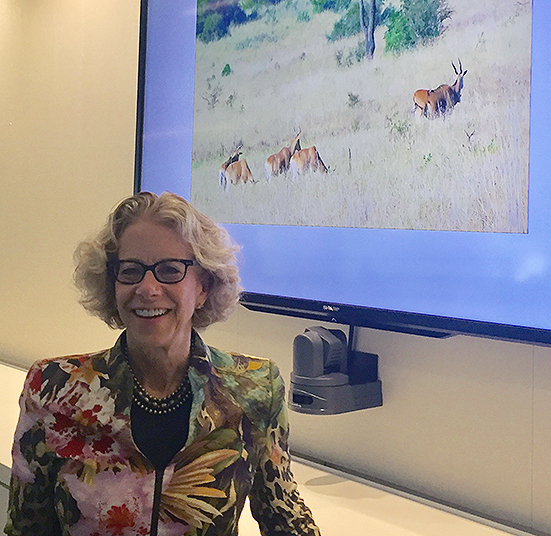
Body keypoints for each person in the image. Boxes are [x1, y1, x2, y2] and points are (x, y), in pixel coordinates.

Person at [6, 191, 321, 536]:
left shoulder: (255, 389)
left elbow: (286, 520)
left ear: (203, 286)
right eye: (131, 271)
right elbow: (27, 529)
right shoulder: (55, 388)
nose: (148, 287)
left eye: (170, 270)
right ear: (112, 284)